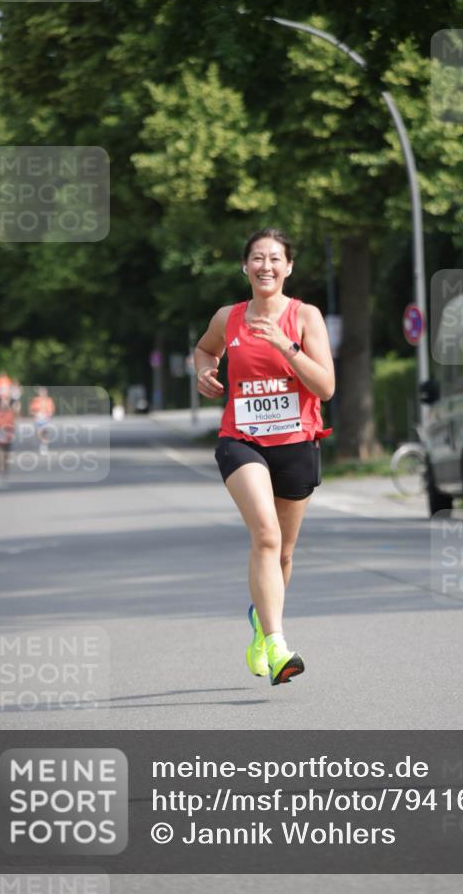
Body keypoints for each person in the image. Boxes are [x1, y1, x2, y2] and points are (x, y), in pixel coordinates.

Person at [194, 229, 335, 686]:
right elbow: (203, 349)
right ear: (245, 266)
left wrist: (283, 344)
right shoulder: (227, 318)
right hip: (243, 440)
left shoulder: (305, 316)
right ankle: (277, 646)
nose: (266, 266)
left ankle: (260, 626)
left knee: (285, 553)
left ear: (289, 267)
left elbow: (326, 387)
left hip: (296, 443)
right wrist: (204, 371)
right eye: (257, 258)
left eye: (275, 258)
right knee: (267, 536)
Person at [29, 387, 55, 454]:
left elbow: (52, 409)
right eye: (41, 392)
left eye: (44, 392)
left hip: (46, 419)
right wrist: (35, 414)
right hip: (38, 419)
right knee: (40, 433)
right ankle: (43, 443)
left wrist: (49, 413)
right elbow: (31, 409)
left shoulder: (49, 400)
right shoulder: (36, 400)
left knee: (44, 432)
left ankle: (44, 445)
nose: (43, 393)